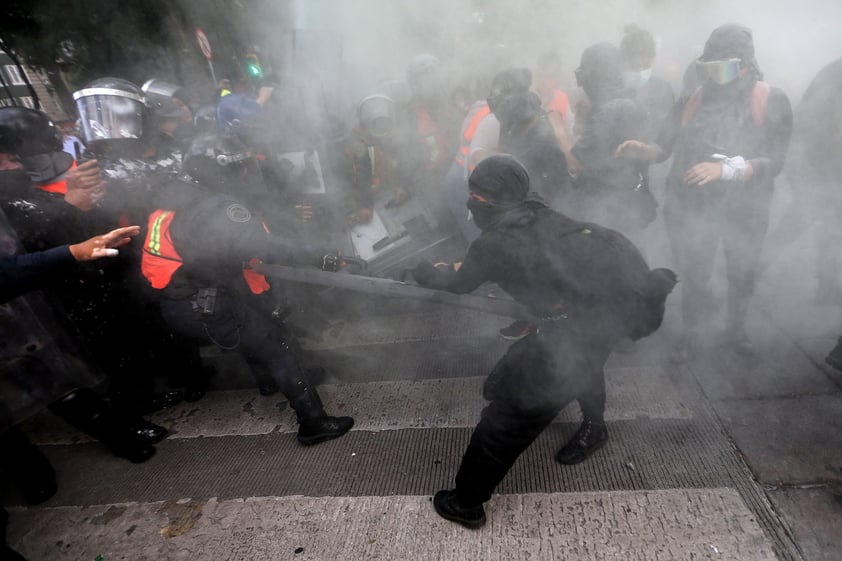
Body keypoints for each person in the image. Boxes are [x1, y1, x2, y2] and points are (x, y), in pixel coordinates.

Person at [410, 155, 676, 528]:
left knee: (507, 419)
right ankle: (594, 425)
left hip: (576, 329)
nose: (470, 205)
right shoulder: (539, 213)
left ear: (483, 203)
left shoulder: (494, 243)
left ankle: (466, 503)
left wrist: (425, 272)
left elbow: (457, 283)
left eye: (474, 198)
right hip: (596, 319)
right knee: (581, 362)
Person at [139, 131, 354, 445]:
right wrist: (322, 257)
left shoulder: (176, 197)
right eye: (236, 168)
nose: (242, 173)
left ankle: (270, 382)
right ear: (218, 170)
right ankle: (313, 422)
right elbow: (263, 246)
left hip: (182, 299)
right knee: (276, 343)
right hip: (203, 302)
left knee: (253, 323)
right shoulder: (213, 208)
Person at [616, 23, 793, 360]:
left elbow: (776, 160)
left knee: (742, 270)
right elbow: (664, 146)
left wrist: (726, 170)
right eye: (709, 66)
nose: (715, 74)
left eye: (723, 67)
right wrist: (643, 149)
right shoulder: (694, 98)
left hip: (747, 207)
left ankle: (735, 332)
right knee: (696, 272)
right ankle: (692, 335)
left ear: (744, 64)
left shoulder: (771, 99)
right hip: (697, 206)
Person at [570, 42, 657, 242]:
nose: (582, 84)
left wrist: (557, 129)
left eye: (584, 77)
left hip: (609, 208)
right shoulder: (626, 100)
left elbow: (575, 162)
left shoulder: (611, 109)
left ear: (595, 76)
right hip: (624, 207)